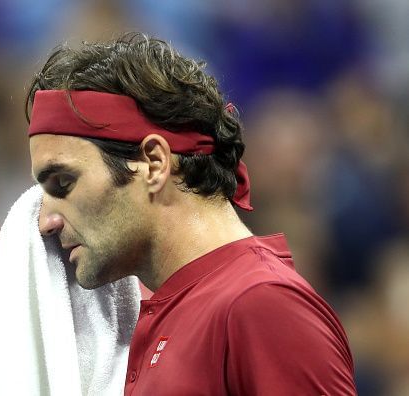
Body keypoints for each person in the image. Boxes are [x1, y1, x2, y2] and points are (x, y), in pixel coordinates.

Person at [25, 33, 357, 395]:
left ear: (153, 163)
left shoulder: (260, 303)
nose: (47, 220)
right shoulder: (153, 317)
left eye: (63, 183)